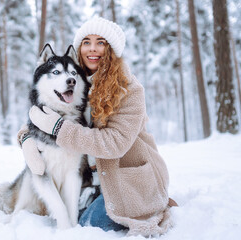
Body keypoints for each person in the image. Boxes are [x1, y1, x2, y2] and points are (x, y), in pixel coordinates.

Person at [21, 16, 176, 237]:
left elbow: (115, 143)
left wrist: (58, 129)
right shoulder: (74, 81)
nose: (92, 49)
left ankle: (150, 205)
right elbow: (43, 115)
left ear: (111, 49)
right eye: (86, 42)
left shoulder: (129, 89)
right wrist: (26, 138)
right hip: (90, 180)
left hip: (126, 180)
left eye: (100, 42)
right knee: (56, 213)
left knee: (88, 226)